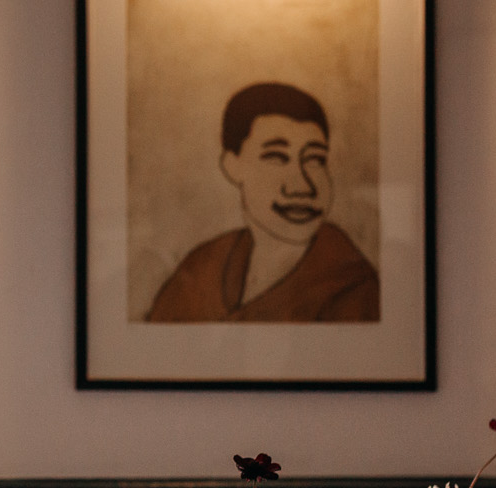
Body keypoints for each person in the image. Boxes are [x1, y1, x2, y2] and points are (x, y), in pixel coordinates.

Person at [146, 82, 379, 324]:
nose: (302, 186)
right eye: (276, 157)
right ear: (232, 166)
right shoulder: (204, 266)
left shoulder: (354, 289)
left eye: (315, 159)